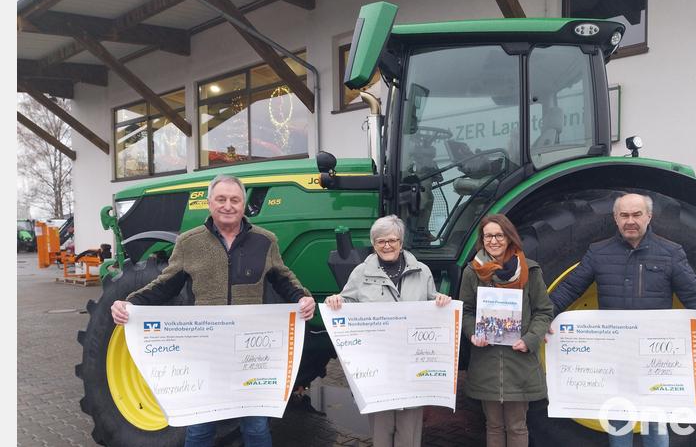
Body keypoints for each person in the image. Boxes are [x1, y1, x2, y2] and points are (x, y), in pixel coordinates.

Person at [110, 174, 315, 447]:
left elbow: (282, 277)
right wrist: (130, 303)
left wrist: (302, 297)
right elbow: (166, 285)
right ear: (209, 203)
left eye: (234, 200)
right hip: (205, 353)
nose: (228, 206)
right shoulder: (189, 243)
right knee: (199, 430)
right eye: (221, 199)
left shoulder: (265, 241)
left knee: (255, 429)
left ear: (243, 205)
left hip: (249, 354)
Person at [548, 193, 696, 447]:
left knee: (655, 423)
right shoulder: (598, 253)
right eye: (624, 215)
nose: (630, 221)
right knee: (619, 421)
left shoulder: (670, 253)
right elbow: (568, 290)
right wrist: (544, 319)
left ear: (649, 216)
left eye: (636, 214)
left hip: (654, 360)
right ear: (615, 218)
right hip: (616, 357)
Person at [324, 214, 451, 447]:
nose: (387, 245)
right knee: (382, 433)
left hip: (412, 366)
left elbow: (432, 303)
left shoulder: (422, 271)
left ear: (401, 242)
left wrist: (441, 300)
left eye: (392, 240)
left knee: (409, 434)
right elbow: (347, 303)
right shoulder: (360, 273)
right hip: (378, 368)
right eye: (381, 241)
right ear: (374, 244)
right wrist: (336, 302)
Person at [459, 214, 554, 447]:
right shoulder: (473, 272)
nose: (494, 241)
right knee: (493, 426)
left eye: (499, 235)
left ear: (509, 237)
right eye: (488, 236)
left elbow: (544, 311)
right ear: (482, 240)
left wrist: (530, 339)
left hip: (519, 362)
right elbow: (467, 310)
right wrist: (472, 333)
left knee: (517, 426)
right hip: (487, 363)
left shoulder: (529, 271)